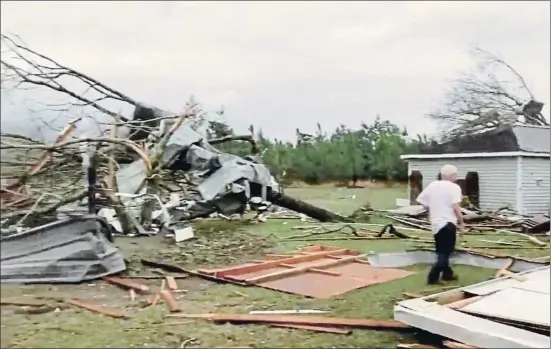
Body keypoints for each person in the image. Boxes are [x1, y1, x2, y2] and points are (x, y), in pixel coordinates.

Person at [416, 164, 464, 284]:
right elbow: (455, 207)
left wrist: (433, 209)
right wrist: (461, 221)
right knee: (446, 252)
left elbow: (422, 201)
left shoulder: (433, 185)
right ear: (452, 175)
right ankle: (432, 277)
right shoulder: (454, 187)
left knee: (442, 250)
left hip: (436, 224)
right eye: (455, 175)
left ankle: (448, 274)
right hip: (448, 223)